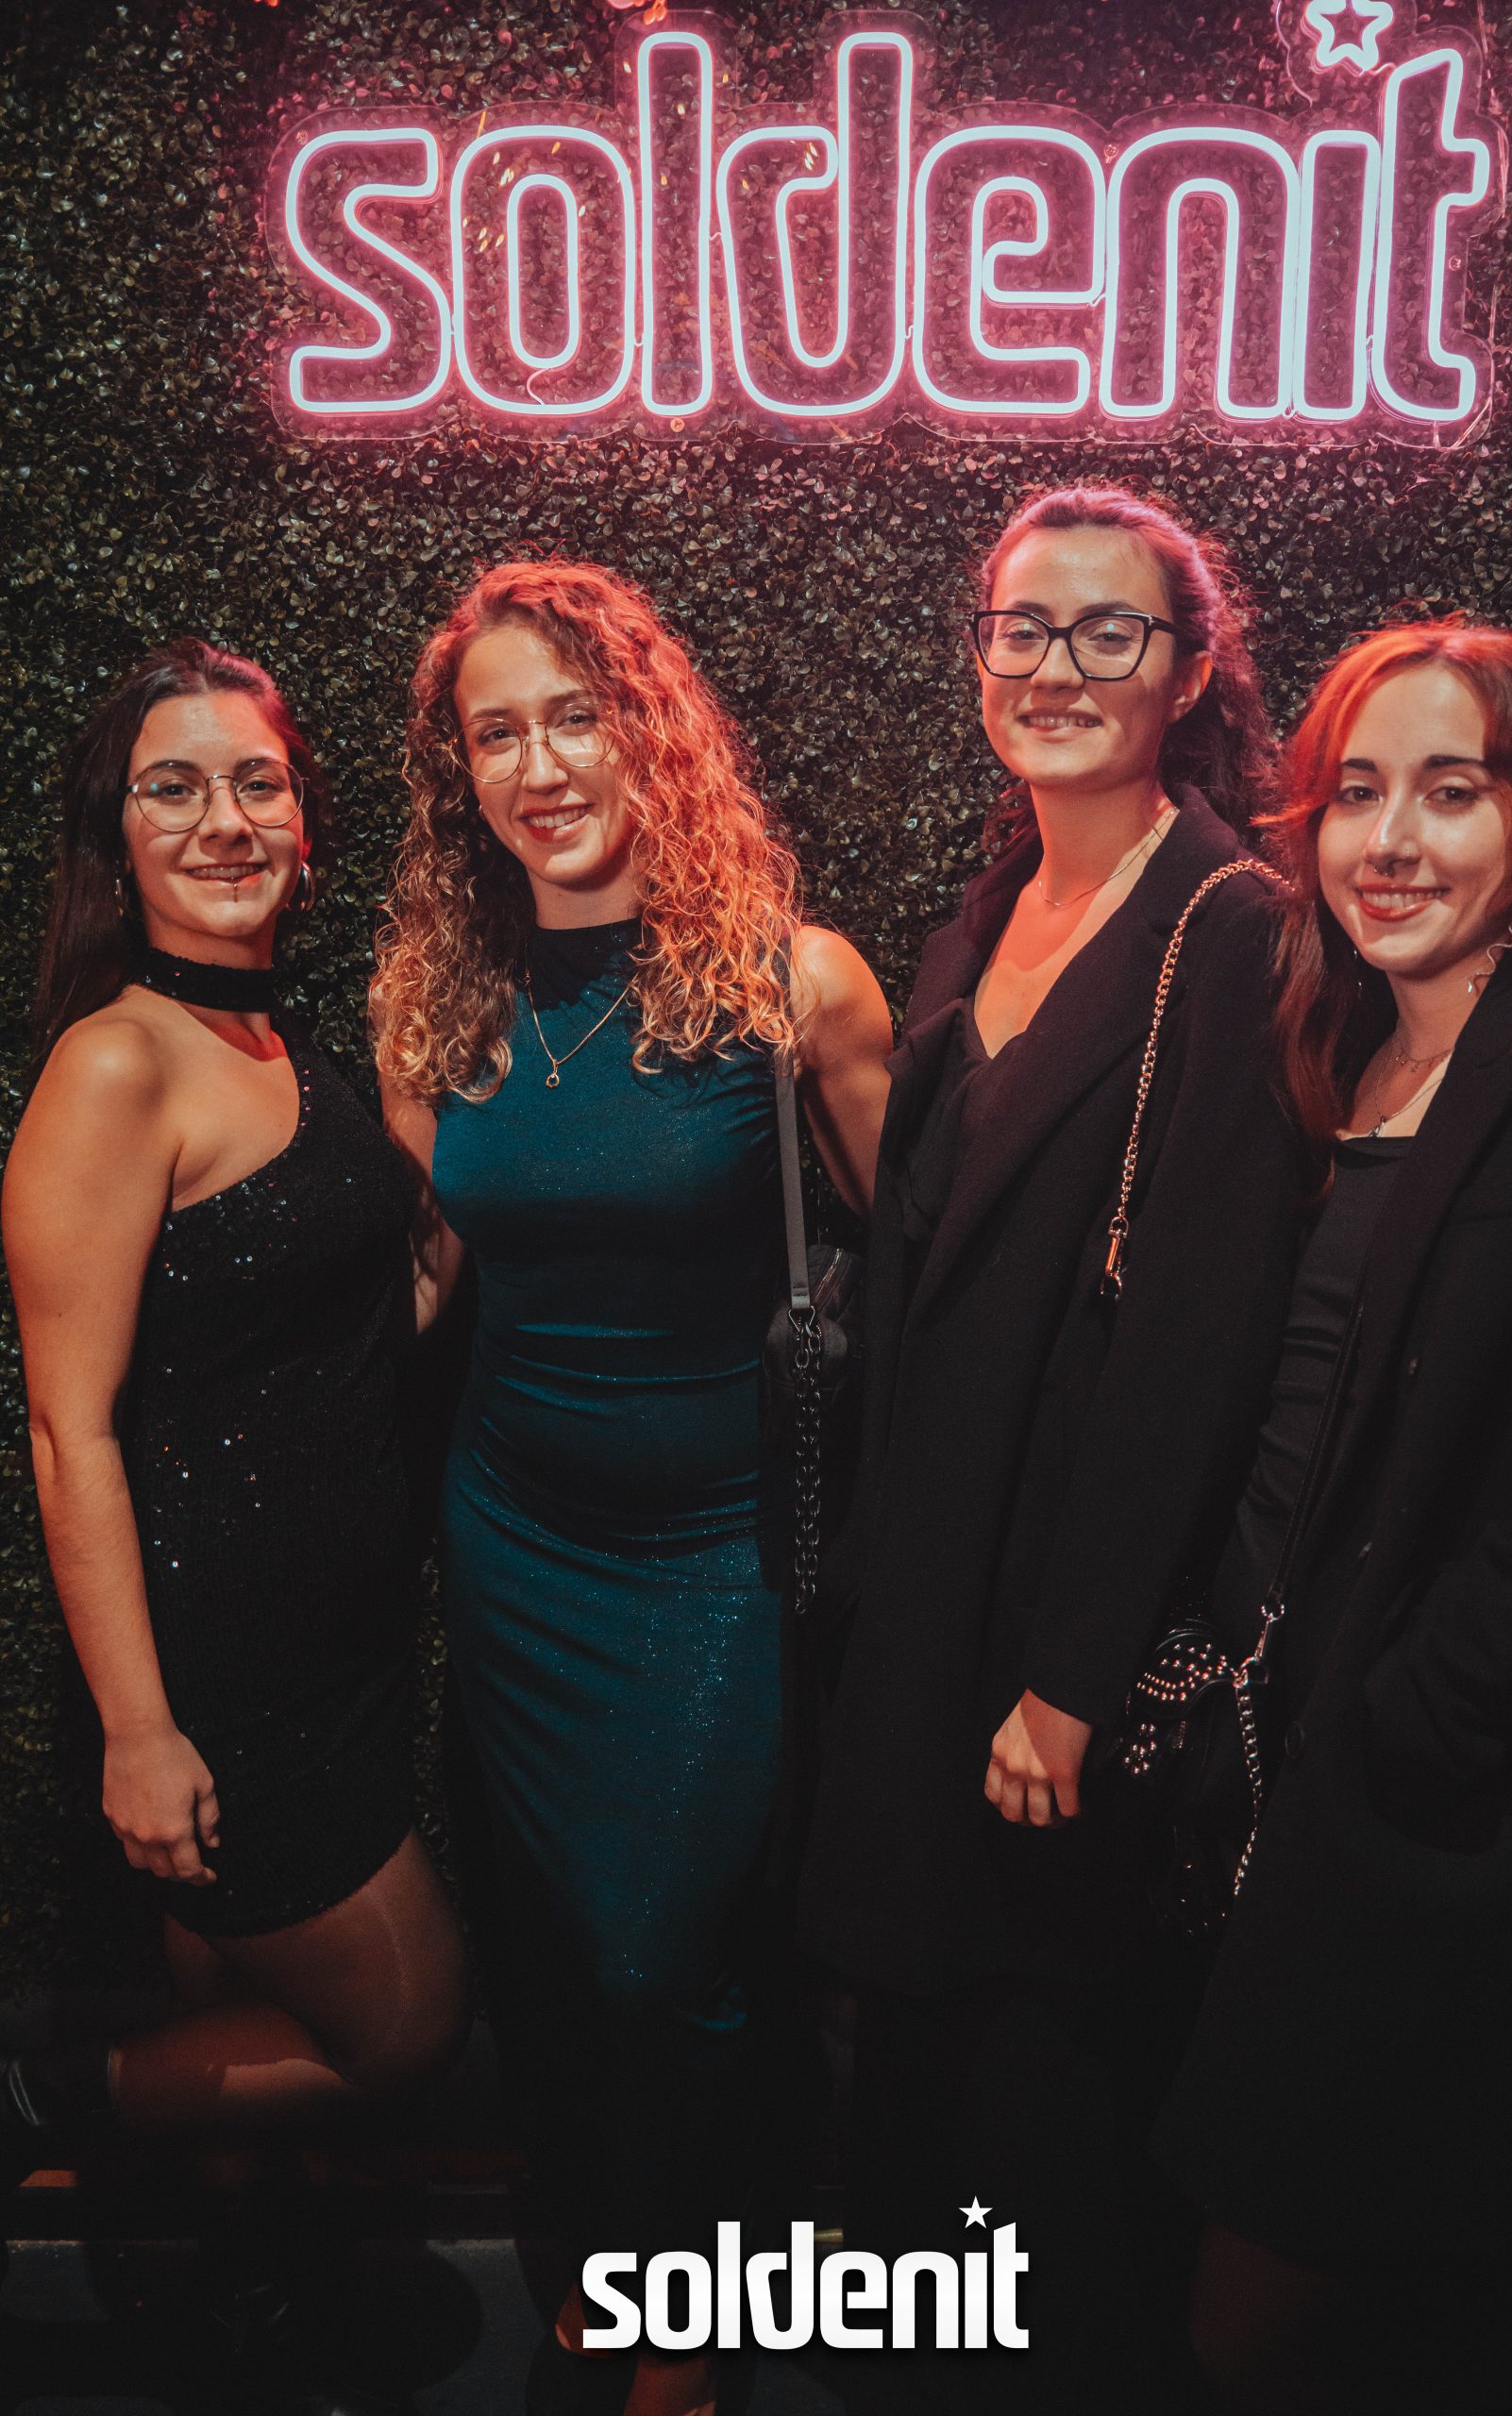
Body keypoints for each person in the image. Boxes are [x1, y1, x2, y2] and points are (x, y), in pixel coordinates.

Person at [798, 484, 1308, 2413]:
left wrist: (1076, 1675)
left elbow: (1194, 1343)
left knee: (1041, 2140)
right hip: (921, 1603)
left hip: (1044, 1637)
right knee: (918, 2112)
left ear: (1188, 670)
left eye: (1109, 631)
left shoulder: (1231, 925)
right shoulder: (986, 908)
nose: (1055, 667)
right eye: (1022, 628)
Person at [371, 558, 891, 2416]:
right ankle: (595, 2266)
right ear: (462, 778)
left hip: (715, 1556)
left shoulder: (791, 984)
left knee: (665, 1951)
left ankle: (697, 2309)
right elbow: (429, 1279)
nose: (539, 767)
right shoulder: (434, 1003)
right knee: (554, 1955)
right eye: (495, 735)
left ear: (649, 729)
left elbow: (921, 1266)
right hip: (515, 1540)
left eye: (574, 717)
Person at [0, 640, 469, 2400]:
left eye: (256, 781)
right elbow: (70, 1431)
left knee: (230, 2012)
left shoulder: (279, 1038)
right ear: (115, 837)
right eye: (173, 787)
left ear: (306, 824)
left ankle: (234, 2308)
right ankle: (47, 2097)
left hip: (336, 1653)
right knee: (406, 2025)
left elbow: (368, 1320)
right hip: (219, 1674)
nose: (222, 819)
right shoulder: (118, 1065)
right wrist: (138, 1729)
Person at [1153, 622, 1512, 2415]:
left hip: (1442, 1821)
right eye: (1356, 793)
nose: (1392, 841)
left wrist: (1402, 1724)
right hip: (1281, 1780)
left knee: (1269, 2315)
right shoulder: (1337, 1053)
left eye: (1452, 791)